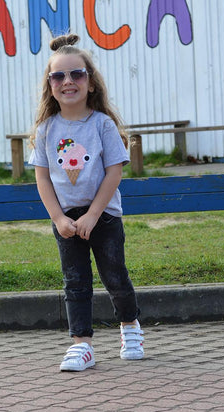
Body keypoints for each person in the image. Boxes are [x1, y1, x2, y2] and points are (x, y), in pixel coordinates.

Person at [29, 33, 144, 372]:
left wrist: (94, 214)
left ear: (90, 83)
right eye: (58, 76)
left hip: (103, 215)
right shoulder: (46, 130)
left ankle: (130, 325)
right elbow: (43, 178)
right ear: (50, 85)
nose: (68, 81)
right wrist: (58, 218)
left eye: (76, 74)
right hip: (66, 219)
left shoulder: (102, 124)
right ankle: (82, 344)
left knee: (115, 276)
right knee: (75, 281)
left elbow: (113, 173)